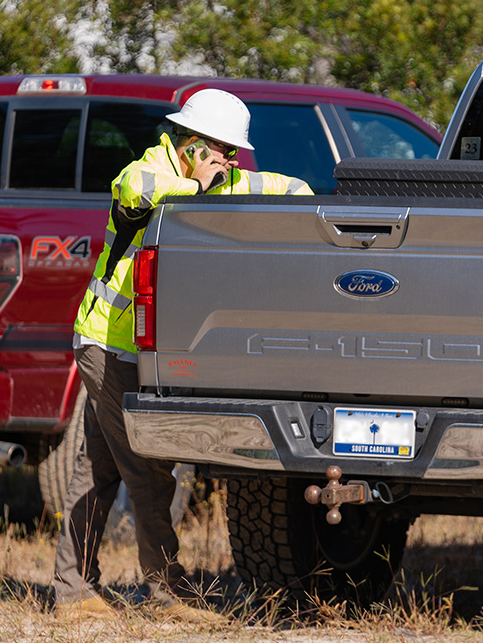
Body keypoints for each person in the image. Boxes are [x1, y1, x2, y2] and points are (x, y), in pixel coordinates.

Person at [53, 88, 313, 621]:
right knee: (147, 472)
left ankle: (72, 591)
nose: (233, 163)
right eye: (224, 152)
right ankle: (169, 596)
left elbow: (284, 186)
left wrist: (303, 195)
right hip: (107, 344)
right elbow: (136, 189)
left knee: (98, 470)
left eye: (234, 155)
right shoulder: (146, 173)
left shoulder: (224, 176)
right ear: (193, 145)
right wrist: (200, 183)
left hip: (133, 350)